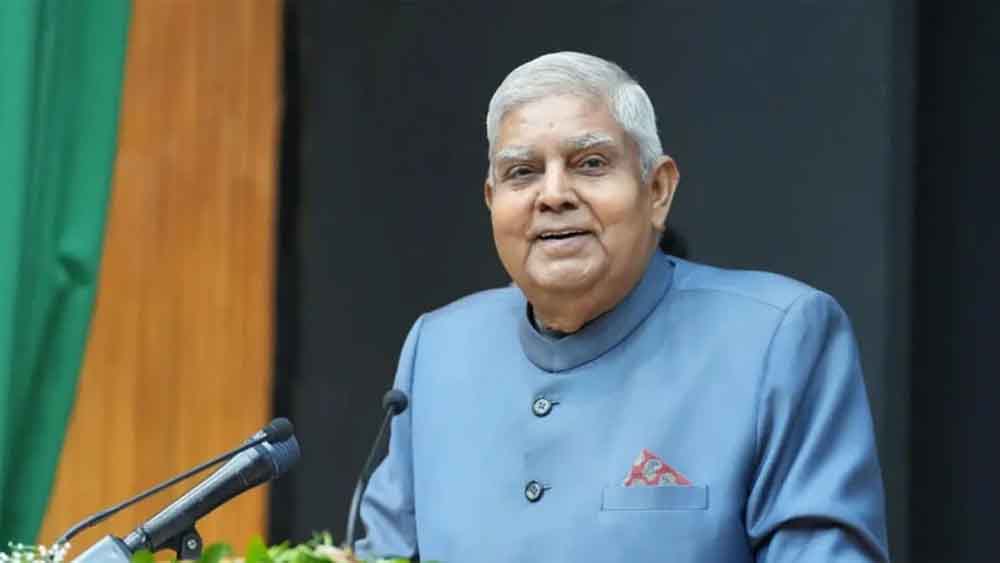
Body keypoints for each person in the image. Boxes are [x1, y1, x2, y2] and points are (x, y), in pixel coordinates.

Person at [355, 51, 888, 562]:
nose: (554, 194)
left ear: (657, 190)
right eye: (522, 172)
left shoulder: (776, 337)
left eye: (590, 163)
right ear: (493, 202)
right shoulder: (439, 349)